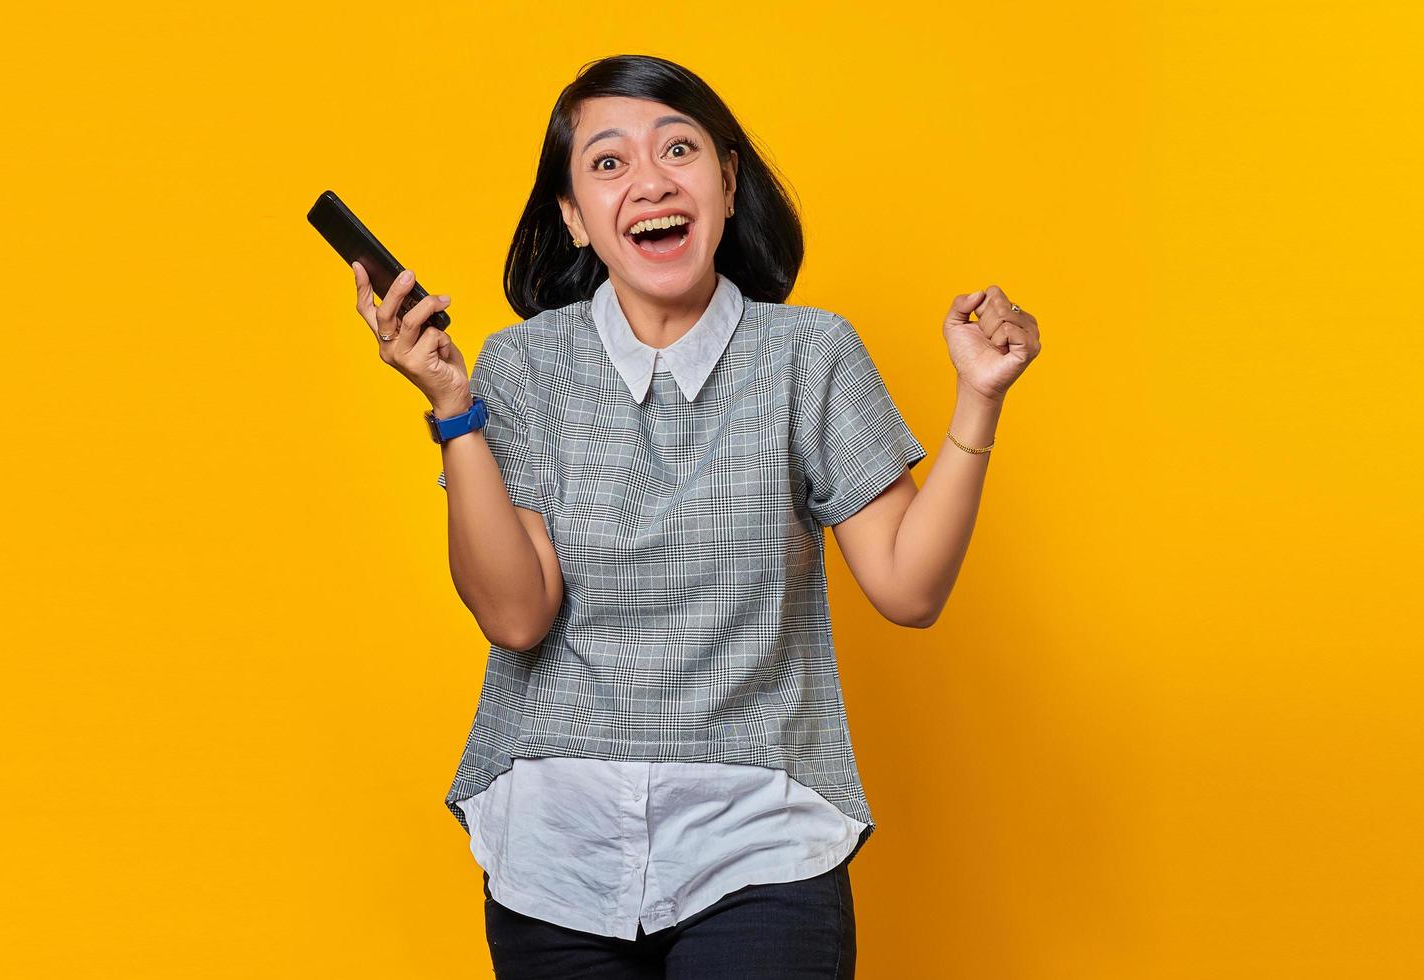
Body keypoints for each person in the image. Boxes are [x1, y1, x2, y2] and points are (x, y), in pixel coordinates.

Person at [351, 53, 1041, 980]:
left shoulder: (809, 354)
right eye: (607, 163)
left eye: (677, 148)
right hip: (559, 852)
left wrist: (977, 401)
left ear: (724, 179)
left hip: (759, 843)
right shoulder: (520, 369)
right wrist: (450, 406)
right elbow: (516, 615)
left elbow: (909, 589)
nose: (648, 182)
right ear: (572, 217)